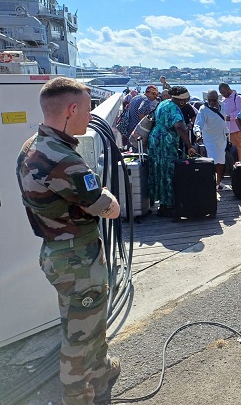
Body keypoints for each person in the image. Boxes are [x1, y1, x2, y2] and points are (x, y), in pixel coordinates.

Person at [16, 77, 122, 405]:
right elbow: (110, 209)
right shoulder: (66, 161)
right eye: (87, 110)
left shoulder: (32, 145)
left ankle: (101, 371)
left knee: (83, 321)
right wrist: (104, 193)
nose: (90, 117)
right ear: (72, 109)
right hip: (79, 261)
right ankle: (78, 395)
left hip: (58, 252)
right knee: (78, 336)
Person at [148, 86, 196, 217]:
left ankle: (160, 202)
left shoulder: (164, 103)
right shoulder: (174, 108)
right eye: (186, 100)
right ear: (181, 101)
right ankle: (167, 205)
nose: (187, 102)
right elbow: (179, 127)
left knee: (158, 171)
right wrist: (189, 145)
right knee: (168, 173)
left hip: (155, 139)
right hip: (166, 142)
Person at [195, 90, 228, 191]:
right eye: (210, 100)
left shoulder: (222, 105)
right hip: (210, 139)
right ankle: (211, 182)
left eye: (214, 100)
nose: (212, 102)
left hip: (222, 138)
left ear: (217, 98)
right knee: (213, 161)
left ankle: (219, 183)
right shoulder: (203, 109)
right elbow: (198, 124)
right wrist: (198, 133)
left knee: (221, 161)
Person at [219, 82, 241, 161]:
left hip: (236, 128)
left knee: (237, 147)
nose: (223, 94)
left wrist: (229, 117)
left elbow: (240, 111)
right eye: (221, 93)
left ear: (228, 88)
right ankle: (231, 164)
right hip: (227, 129)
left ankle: (239, 164)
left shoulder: (237, 98)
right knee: (229, 148)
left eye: (224, 92)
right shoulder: (224, 99)